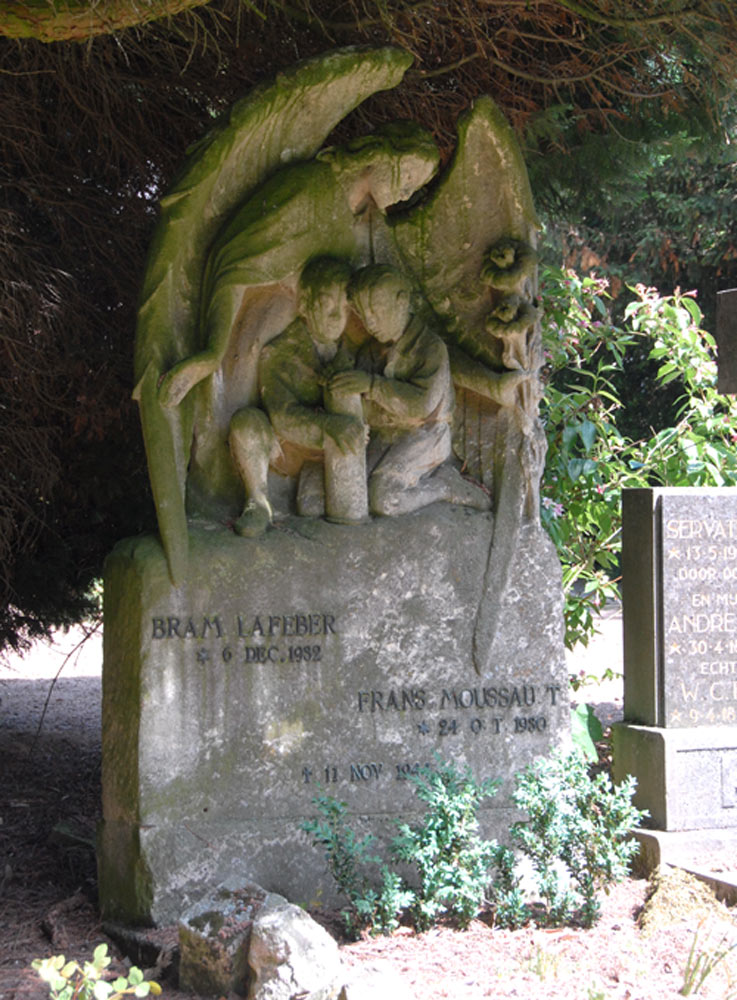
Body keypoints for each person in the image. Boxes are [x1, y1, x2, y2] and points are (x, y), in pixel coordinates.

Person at [329, 265, 490, 516]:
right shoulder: (370, 352)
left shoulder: (430, 348)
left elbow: (422, 406)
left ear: (402, 301)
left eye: (376, 310)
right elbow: (363, 408)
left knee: (385, 500)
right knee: (345, 490)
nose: (369, 322)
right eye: (362, 313)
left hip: (425, 436)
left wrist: (372, 386)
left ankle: (444, 486)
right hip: (385, 437)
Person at [228, 256, 364, 536]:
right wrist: (328, 425)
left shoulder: (353, 351)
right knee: (245, 424)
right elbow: (282, 416)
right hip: (289, 448)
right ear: (305, 305)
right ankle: (258, 502)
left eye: (345, 305)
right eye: (327, 303)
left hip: (342, 454)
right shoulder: (279, 353)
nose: (337, 316)